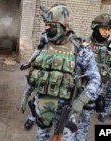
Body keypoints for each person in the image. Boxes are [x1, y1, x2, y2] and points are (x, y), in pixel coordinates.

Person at [20, 4, 101, 141]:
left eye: (50, 25)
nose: (46, 28)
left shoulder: (80, 48)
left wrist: (81, 101)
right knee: (41, 137)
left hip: (67, 109)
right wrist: (26, 94)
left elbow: (95, 78)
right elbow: (35, 70)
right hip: (43, 105)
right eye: (45, 24)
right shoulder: (44, 43)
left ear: (62, 25)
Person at [85, 14, 111, 122]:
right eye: (104, 29)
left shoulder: (110, 46)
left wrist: (108, 73)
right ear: (96, 27)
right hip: (83, 83)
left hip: (100, 85)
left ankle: (102, 113)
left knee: (88, 112)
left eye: (110, 29)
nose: (107, 32)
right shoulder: (85, 43)